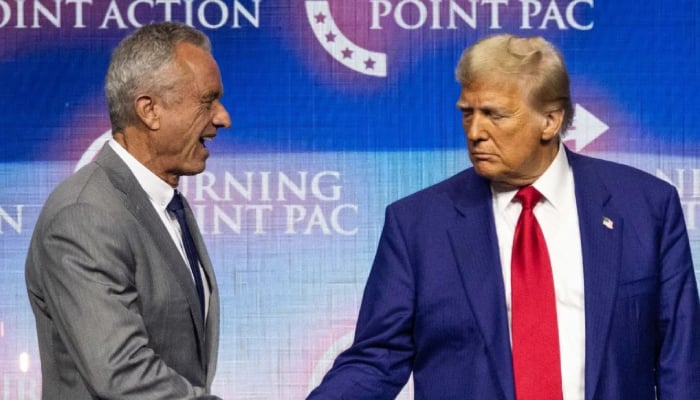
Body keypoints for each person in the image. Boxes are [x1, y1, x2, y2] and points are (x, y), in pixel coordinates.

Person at [307, 34, 700, 399]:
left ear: (550, 120)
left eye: (494, 115)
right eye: (467, 113)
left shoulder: (645, 207)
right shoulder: (417, 225)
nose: (475, 131)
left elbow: (681, 363)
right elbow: (376, 359)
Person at [25, 22, 231, 399]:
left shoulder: (167, 204)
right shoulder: (84, 216)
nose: (222, 118)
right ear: (149, 110)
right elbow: (123, 373)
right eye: (208, 100)